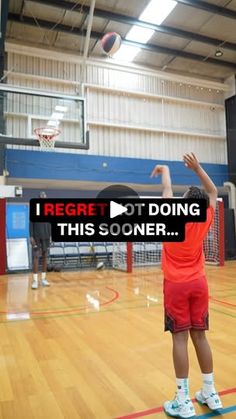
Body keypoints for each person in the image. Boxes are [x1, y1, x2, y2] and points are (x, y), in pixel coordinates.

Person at [151, 153, 222, 418]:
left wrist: (165, 169)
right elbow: (213, 190)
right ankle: (210, 392)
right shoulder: (206, 219)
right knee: (200, 337)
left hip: (176, 285)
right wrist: (197, 168)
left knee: (180, 339)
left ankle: (183, 399)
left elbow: (167, 189)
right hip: (199, 284)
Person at [30, 191, 51, 289]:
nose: (43, 198)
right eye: (42, 197)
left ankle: (43, 279)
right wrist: (31, 236)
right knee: (36, 258)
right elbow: (31, 224)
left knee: (45, 257)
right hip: (37, 237)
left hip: (46, 237)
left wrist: (51, 236)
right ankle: (35, 281)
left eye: (45, 197)